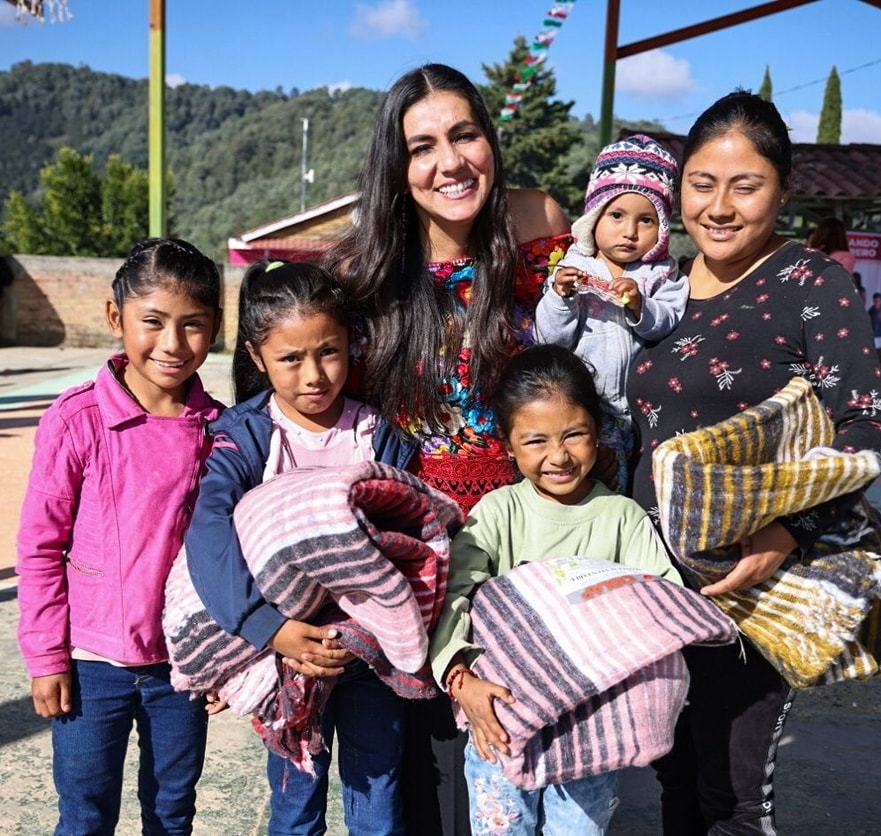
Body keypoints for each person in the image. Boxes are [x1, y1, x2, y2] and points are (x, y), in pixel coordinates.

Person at [624, 90, 881, 834]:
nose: (719, 207)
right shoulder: (664, 288)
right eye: (702, 184)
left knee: (735, 797)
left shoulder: (811, 284)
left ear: (782, 189)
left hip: (754, 585)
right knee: (671, 777)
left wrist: (789, 531)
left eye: (745, 187)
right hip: (655, 578)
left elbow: (867, 431)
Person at [321, 63, 573, 835]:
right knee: (422, 784)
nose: (450, 162)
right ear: (395, 167)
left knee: (518, 771)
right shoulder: (355, 274)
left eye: (465, 135)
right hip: (409, 564)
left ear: (491, 139)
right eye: (422, 145)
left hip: (527, 550)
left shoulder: (537, 229)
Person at [184, 260, 417, 835]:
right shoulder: (245, 437)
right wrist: (269, 629)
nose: (313, 375)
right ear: (257, 358)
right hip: (289, 656)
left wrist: (370, 631)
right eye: (290, 358)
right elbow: (209, 531)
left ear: (351, 345)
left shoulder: (379, 436)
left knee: (379, 793)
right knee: (295, 799)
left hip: (370, 656)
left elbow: (411, 534)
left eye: (329, 352)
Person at [16, 237, 225, 834]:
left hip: (180, 666)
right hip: (89, 665)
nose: (171, 344)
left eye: (193, 326)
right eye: (152, 322)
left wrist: (224, 657)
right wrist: (47, 655)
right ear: (116, 317)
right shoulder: (76, 418)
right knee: (84, 813)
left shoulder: (219, 430)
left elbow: (228, 550)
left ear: (214, 329)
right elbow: (40, 545)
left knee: (171, 812)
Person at [430, 343, 682, 835]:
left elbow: (659, 607)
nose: (558, 456)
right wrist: (463, 681)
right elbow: (454, 598)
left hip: (591, 729)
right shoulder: (497, 512)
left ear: (597, 432)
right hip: (501, 720)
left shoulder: (621, 517)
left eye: (574, 435)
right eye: (536, 441)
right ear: (507, 444)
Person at [536, 133, 688, 492]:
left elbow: (669, 320)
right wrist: (561, 298)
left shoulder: (661, 274)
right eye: (616, 215)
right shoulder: (574, 267)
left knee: (634, 489)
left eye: (647, 220)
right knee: (588, 485)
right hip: (585, 409)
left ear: (663, 227)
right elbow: (549, 339)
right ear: (594, 215)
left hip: (644, 414)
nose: (629, 232)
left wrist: (640, 305)